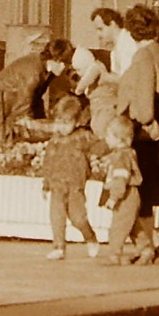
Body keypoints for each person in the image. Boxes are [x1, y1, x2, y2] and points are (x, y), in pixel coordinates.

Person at [114, 5, 159, 264]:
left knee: (138, 194)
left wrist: (147, 121)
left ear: (131, 30)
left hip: (146, 133)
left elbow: (143, 100)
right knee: (147, 195)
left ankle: (147, 248)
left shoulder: (142, 57)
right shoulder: (158, 52)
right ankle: (150, 246)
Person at [0, 38, 74, 147]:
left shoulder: (47, 71)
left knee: (14, 139)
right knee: (1, 144)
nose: (65, 67)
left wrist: (42, 122)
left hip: (5, 104)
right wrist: (35, 125)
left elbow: (36, 99)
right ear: (56, 60)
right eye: (64, 62)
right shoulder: (32, 74)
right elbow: (23, 105)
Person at [39, 95, 105, 260]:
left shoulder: (83, 137)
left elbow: (101, 145)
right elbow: (49, 161)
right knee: (57, 217)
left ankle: (90, 237)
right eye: (59, 121)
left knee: (78, 218)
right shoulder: (55, 140)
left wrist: (96, 156)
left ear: (76, 122)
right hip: (57, 184)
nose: (62, 127)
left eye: (66, 122)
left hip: (75, 185)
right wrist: (46, 183)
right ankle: (59, 247)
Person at [98, 115, 149, 265]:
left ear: (119, 139)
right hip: (131, 194)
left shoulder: (121, 157)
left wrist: (114, 197)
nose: (106, 139)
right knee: (132, 225)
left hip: (125, 195)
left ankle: (114, 254)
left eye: (109, 136)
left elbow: (121, 179)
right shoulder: (126, 153)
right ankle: (146, 248)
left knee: (118, 227)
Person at [91, 8, 138, 78]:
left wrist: (104, 75)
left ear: (112, 24)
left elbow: (126, 78)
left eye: (100, 29)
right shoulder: (116, 46)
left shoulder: (127, 43)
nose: (98, 35)